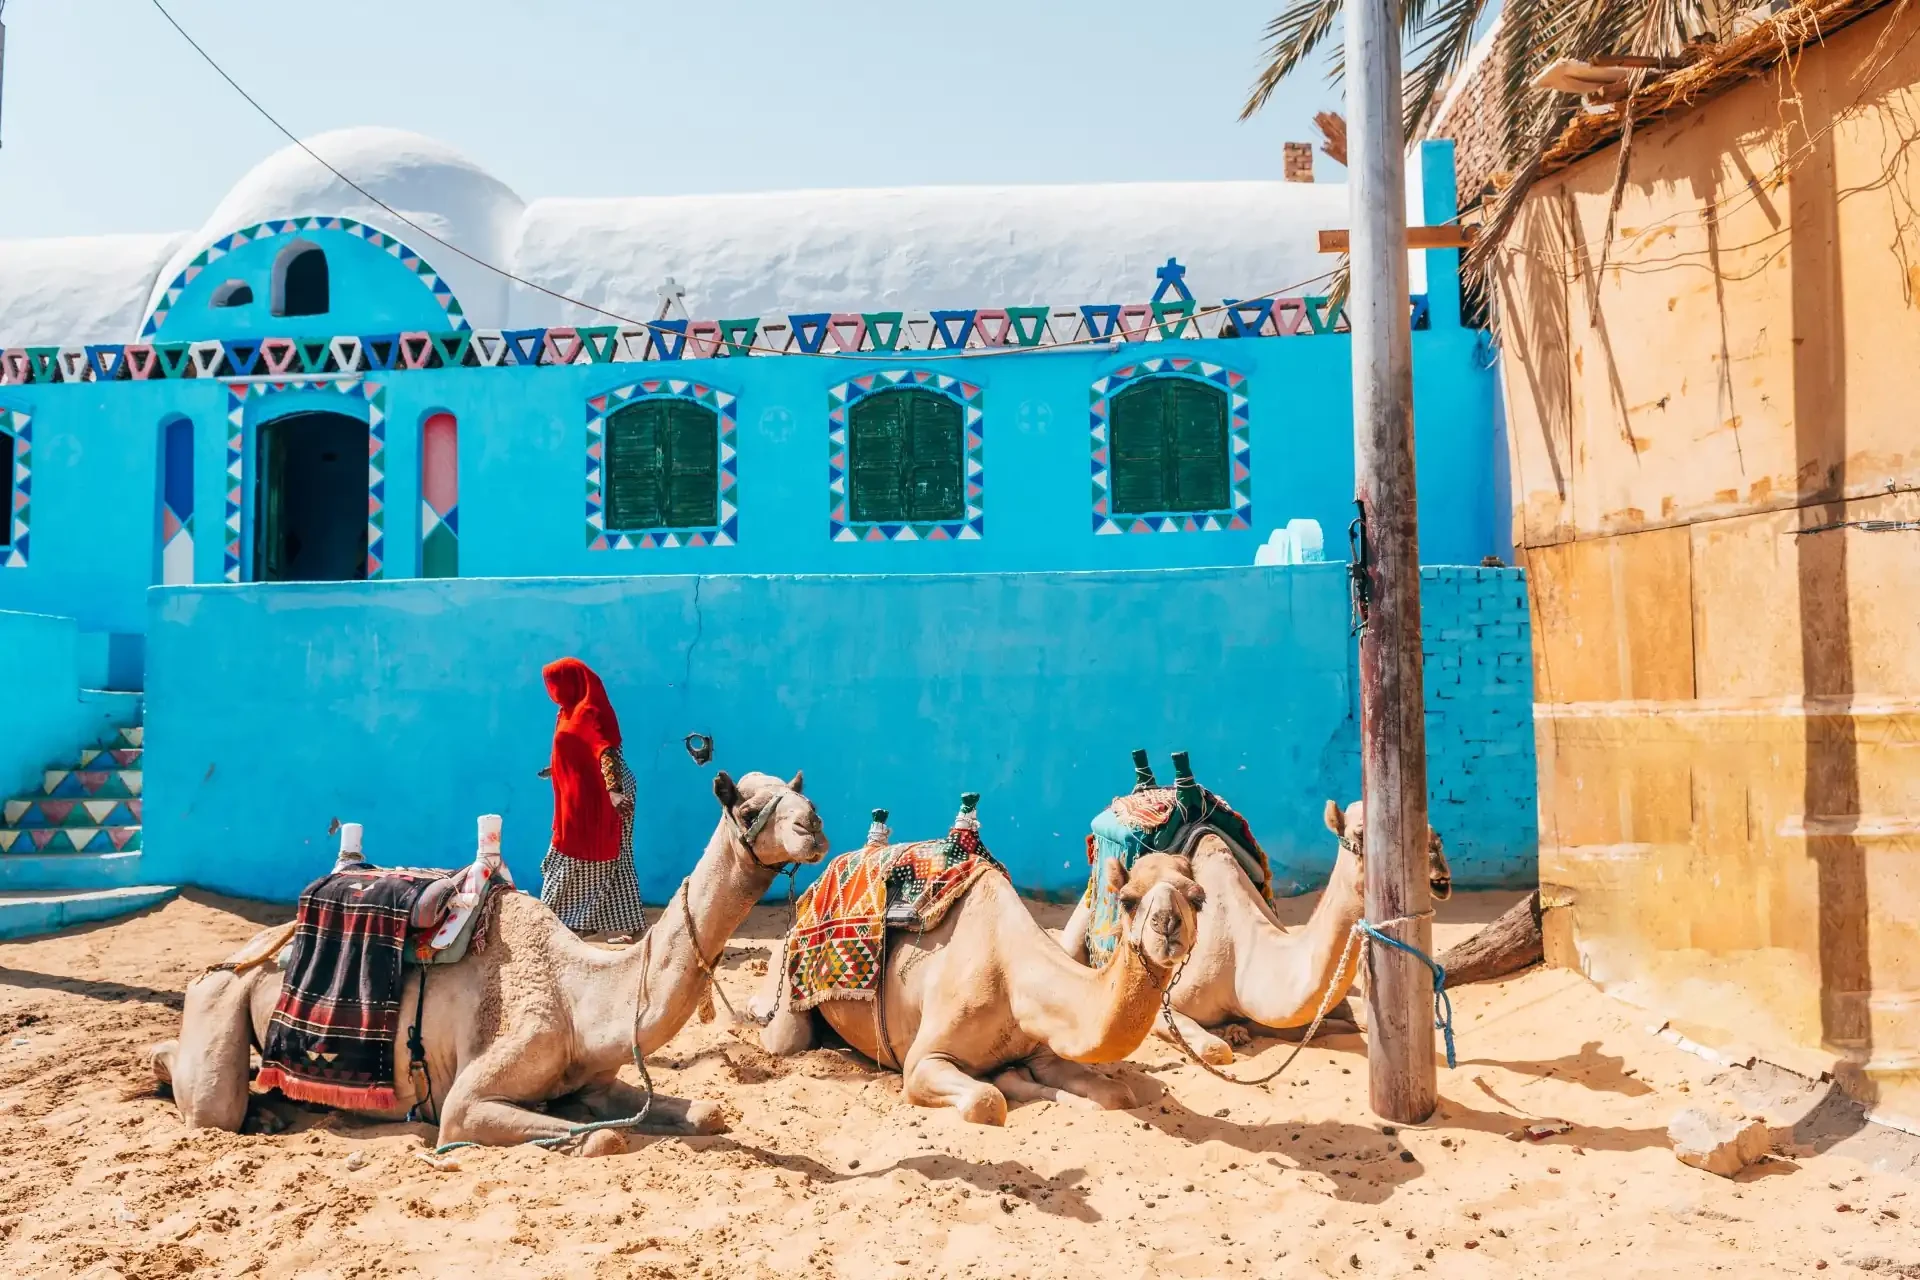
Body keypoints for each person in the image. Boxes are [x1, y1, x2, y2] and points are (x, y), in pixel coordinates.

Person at [537, 657, 646, 943]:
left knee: (596, 853)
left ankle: (559, 921)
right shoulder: (567, 711)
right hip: (580, 795)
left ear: (571, 682)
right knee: (601, 855)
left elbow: (605, 751)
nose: (552, 690)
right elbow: (575, 748)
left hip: (604, 795)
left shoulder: (589, 711)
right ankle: (620, 923)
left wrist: (614, 792)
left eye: (555, 683)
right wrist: (557, 767)